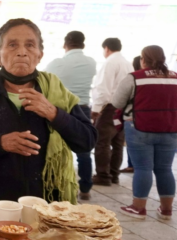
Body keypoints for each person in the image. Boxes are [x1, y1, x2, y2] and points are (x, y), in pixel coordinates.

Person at [0, 19, 96, 218]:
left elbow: (87, 141)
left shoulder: (55, 92)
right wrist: (0, 143)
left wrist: (53, 112)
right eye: (12, 45)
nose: (22, 52)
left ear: (39, 55)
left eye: (30, 45)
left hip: (50, 206)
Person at [111, 46, 177, 220]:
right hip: (170, 127)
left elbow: (117, 102)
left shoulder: (135, 78)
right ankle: (166, 210)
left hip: (140, 127)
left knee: (143, 168)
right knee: (165, 169)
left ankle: (138, 208)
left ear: (143, 60)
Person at [45, 31, 97, 201]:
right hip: (83, 107)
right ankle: (85, 188)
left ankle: (58, 185)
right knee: (84, 151)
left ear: (65, 44)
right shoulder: (91, 63)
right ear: (83, 44)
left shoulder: (58, 63)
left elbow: (44, 81)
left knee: (58, 148)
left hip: (64, 109)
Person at [91, 38, 133, 186]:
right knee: (118, 142)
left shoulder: (109, 63)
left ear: (106, 48)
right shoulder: (128, 64)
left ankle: (103, 175)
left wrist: (96, 109)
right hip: (124, 108)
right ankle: (114, 174)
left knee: (102, 141)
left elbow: (103, 89)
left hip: (110, 107)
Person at [121, 55, 142, 174]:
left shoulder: (133, 78)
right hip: (155, 119)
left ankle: (132, 165)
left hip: (132, 116)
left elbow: (119, 100)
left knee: (132, 143)